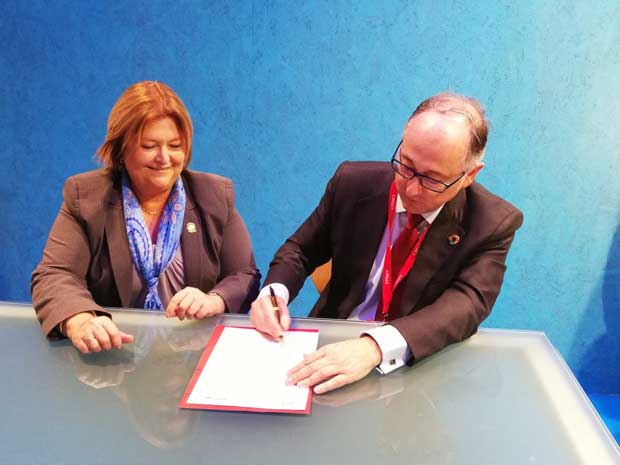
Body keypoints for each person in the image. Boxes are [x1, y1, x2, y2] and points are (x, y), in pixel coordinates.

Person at [251, 92, 523, 394]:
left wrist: (375, 347)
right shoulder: (353, 183)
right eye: (406, 165)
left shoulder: (492, 222)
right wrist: (274, 293)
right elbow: (301, 250)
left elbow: (467, 303)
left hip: (414, 366)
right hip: (331, 344)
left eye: (433, 179)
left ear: (470, 174)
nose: (412, 188)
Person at [32, 81, 260, 353]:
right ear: (121, 149)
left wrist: (214, 300)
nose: (164, 158)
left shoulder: (214, 195)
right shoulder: (86, 197)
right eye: (149, 145)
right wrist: (80, 319)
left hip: (191, 358)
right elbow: (55, 274)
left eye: (175, 145)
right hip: (114, 360)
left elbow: (244, 274)